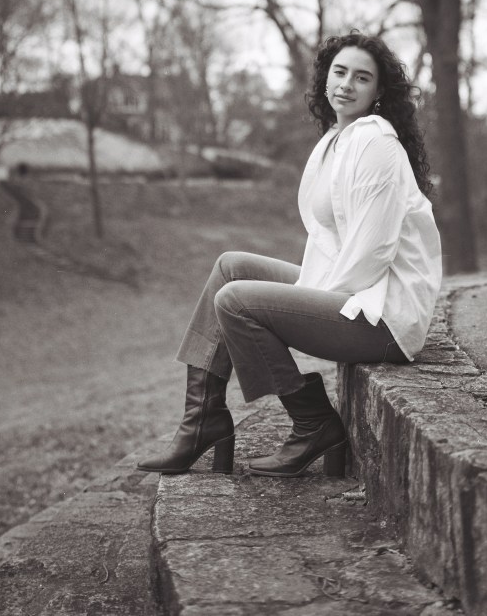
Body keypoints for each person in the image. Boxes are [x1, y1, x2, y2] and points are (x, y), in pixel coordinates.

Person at [137, 32, 442, 479]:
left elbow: (373, 251)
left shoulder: (376, 144)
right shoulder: (337, 140)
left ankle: (313, 423)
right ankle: (202, 421)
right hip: (356, 293)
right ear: (325, 79)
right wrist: (308, 297)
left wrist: (311, 306)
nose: (347, 84)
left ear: (379, 91)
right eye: (340, 72)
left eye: (362, 77)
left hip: (384, 316)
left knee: (235, 301)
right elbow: (331, 242)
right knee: (230, 268)